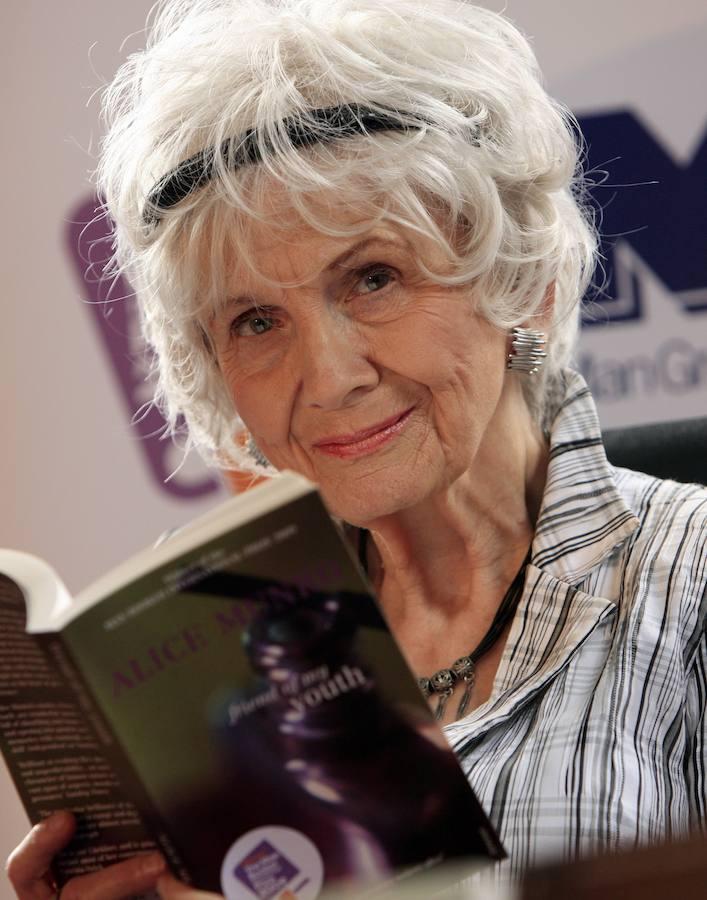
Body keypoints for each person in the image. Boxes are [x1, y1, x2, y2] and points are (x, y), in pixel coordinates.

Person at [7, 0, 706, 897]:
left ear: (518, 277)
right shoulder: (219, 665)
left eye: (373, 277)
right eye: (256, 321)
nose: (329, 377)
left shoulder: (684, 581)